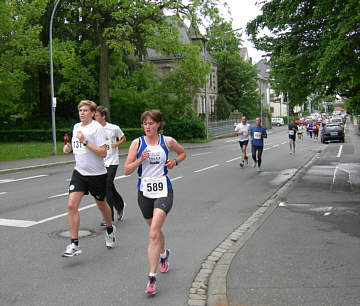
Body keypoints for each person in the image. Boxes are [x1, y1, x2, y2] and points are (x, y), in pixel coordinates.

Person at [124, 110, 186, 295]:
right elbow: (126, 170)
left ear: (158, 124)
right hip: (144, 191)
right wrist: (140, 160)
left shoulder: (168, 141)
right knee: (155, 230)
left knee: (152, 233)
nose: (148, 127)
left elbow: (182, 153)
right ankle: (163, 254)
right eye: (145, 123)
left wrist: (175, 162)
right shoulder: (137, 143)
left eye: (151, 123)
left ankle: (152, 278)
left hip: (164, 190)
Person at [62, 100, 116, 257]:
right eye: (80, 110)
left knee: (101, 205)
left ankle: (110, 229)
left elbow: (103, 153)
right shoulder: (76, 127)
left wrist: (84, 141)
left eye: (85, 110)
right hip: (79, 173)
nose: (82, 113)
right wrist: (68, 148)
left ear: (93, 113)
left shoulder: (97, 129)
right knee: (72, 206)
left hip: (96, 174)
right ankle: (74, 244)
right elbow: (75, 145)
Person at [95, 106, 126, 226]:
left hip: (112, 161)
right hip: (100, 162)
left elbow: (123, 138)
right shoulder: (93, 129)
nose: (95, 117)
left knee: (106, 186)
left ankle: (109, 217)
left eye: (97, 115)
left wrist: (116, 143)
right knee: (109, 187)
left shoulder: (113, 128)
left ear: (103, 116)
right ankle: (120, 204)